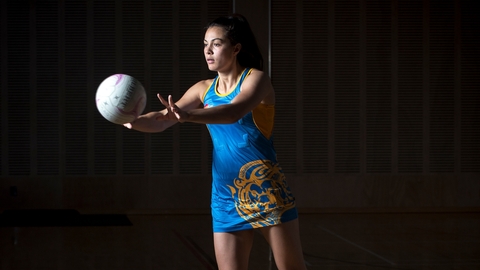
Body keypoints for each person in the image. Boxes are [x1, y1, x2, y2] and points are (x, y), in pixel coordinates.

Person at [125, 14, 307, 270]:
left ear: (236, 48)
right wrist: (132, 120)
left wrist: (188, 115)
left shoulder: (257, 80)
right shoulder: (203, 88)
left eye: (216, 44)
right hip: (225, 195)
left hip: (265, 189)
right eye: (204, 44)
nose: (207, 50)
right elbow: (163, 118)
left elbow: (232, 112)